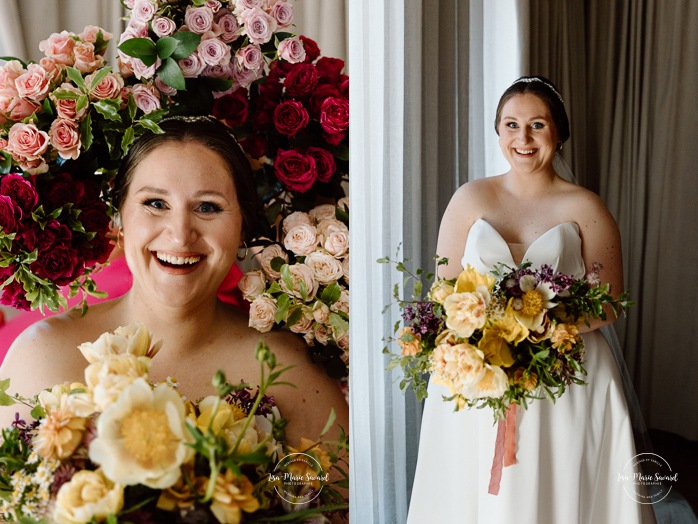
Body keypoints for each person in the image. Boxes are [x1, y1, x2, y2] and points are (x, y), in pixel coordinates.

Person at [0, 116, 348, 451]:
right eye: (155, 203)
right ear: (119, 220)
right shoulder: (42, 356)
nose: (180, 236)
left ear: (243, 227)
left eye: (208, 207)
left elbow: (325, 503)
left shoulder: (293, 373)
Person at [406, 77, 654, 523]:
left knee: (558, 485)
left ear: (557, 133)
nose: (523, 138)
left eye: (536, 125)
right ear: (498, 132)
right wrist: (482, 331)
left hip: (566, 370)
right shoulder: (469, 198)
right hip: (478, 371)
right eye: (511, 124)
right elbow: (443, 290)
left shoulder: (585, 207)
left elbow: (611, 301)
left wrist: (538, 329)